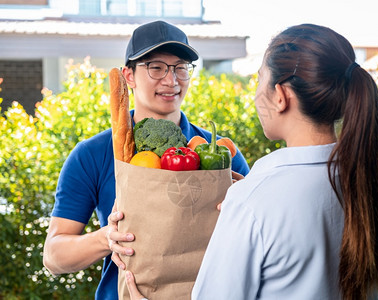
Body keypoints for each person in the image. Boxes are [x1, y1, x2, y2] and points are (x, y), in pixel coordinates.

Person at [124, 23, 378, 300]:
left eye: (259, 80)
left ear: (281, 96)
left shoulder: (251, 200)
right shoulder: (360, 181)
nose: (254, 95)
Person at [42, 20, 250, 300]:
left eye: (180, 68)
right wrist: (106, 238)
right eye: (156, 67)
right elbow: (54, 256)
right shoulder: (92, 154)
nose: (171, 80)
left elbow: (255, 242)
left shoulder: (219, 153)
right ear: (128, 76)